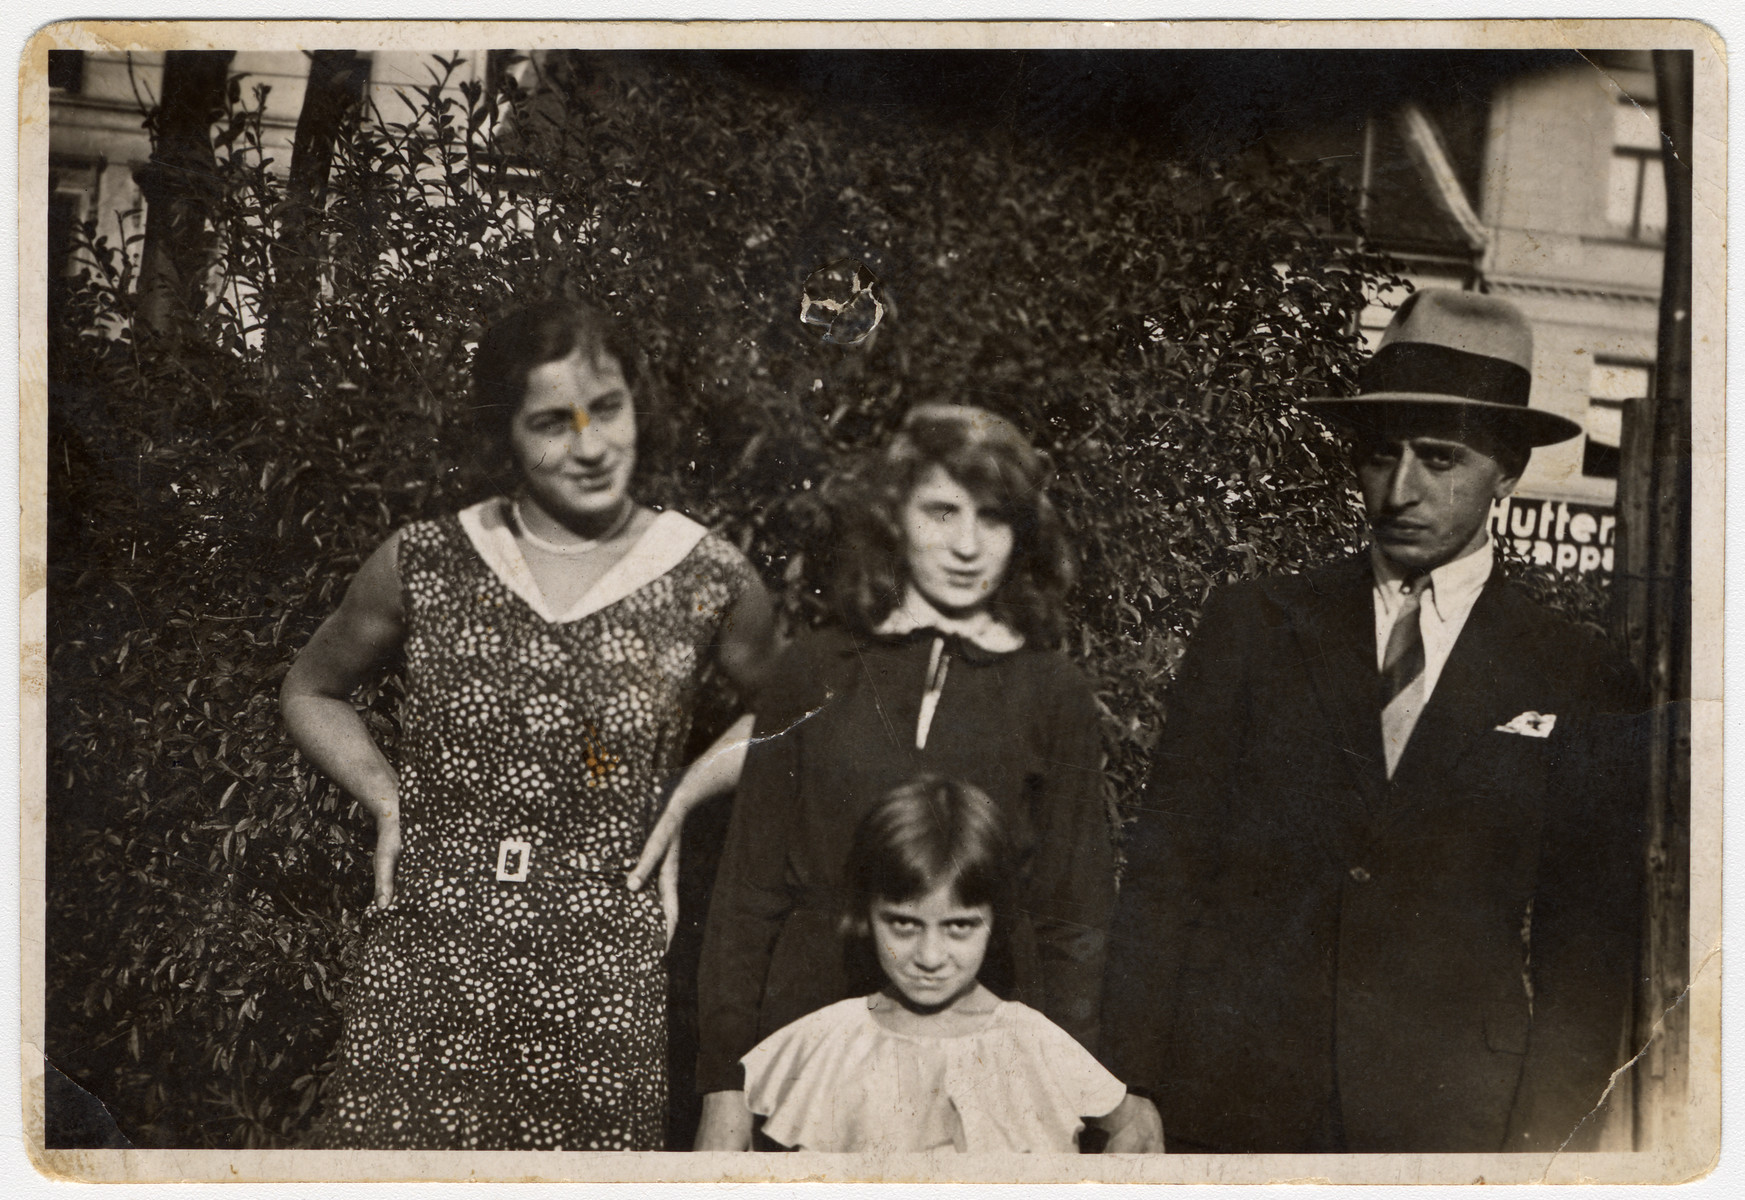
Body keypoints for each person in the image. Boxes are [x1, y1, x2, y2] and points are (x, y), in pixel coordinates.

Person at [1100, 289, 1650, 1154]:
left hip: (1449, 1119)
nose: (1399, 491)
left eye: (1439, 460)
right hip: (1231, 1098)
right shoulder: (1255, 626)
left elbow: (1588, 958)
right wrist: (1130, 1083)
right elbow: (1165, 868)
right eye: (1380, 455)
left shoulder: (1579, 676)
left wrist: (1548, 1147)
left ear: (1505, 468)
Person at [281, 299, 778, 1150]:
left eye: (608, 410)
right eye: (552, 422)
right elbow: (310, 689)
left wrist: (691, 788)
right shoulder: (425, 561)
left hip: (600, 975)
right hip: (428, 963)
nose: (590, 447)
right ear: (504, 434)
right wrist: (385, 796)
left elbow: (800, 707)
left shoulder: (708, 576)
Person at [691, 404, 1128, 1150]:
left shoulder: (1050, 690)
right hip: (809, 1049)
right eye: (940, 512)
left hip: (986, 1055)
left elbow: (1072, 912)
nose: (966, 545)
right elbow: (747, 890)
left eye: (991, 519)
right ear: (894, 518)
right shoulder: (812, 670)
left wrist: (1091, 1089)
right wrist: (723, 1083)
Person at [708, 776, 1160, 1153]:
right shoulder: (830, 1040)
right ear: (866, 912)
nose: (929, 957)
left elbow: (1134, 1123)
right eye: (903, 924)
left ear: (995, 919)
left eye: (959, 927)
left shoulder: (1032, 1040)